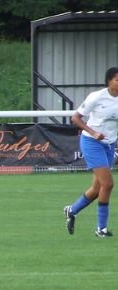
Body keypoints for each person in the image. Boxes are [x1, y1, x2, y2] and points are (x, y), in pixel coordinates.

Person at [63, 66, 118, 237]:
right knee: (108, 184)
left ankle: (72, 210)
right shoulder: (97, 97)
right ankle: (100, 229)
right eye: (117, 79)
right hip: (91, 142)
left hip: (109, 144)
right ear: (109, 81)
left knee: (97, 188)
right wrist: (93, 132)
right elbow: (75, 118)